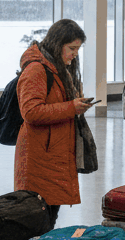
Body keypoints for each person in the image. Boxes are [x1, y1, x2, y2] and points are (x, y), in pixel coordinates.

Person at [14, 18, 93, 228]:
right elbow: (30, 112)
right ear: (58, 45)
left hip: (53, 154)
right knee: (39, 221)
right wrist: (71, 108)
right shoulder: (37, 70)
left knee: (49, 219)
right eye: (72, 48)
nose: (75, 54)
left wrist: (74, 104)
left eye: (78, 49)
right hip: (40, 156)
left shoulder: (58, 69)